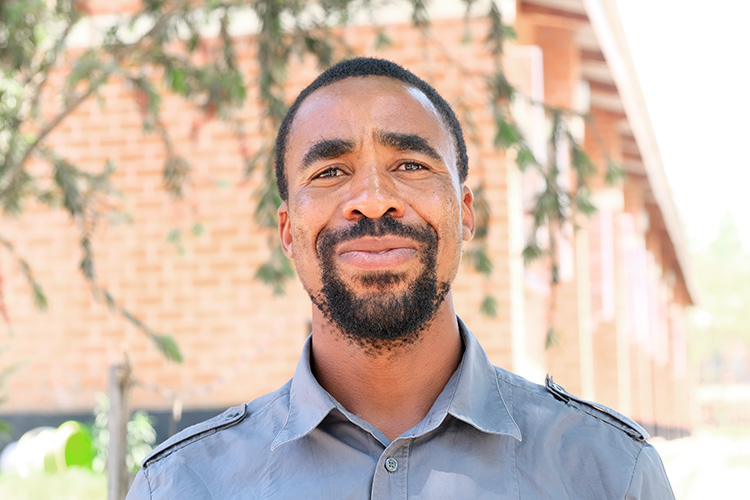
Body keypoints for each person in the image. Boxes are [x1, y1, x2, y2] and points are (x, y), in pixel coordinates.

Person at [126, 57, 675, 499]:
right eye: (330, 172)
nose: (372, 201)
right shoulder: (181, 485)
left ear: (466, 212)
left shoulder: (609, 472)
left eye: (411, 166)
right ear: (288, 230)